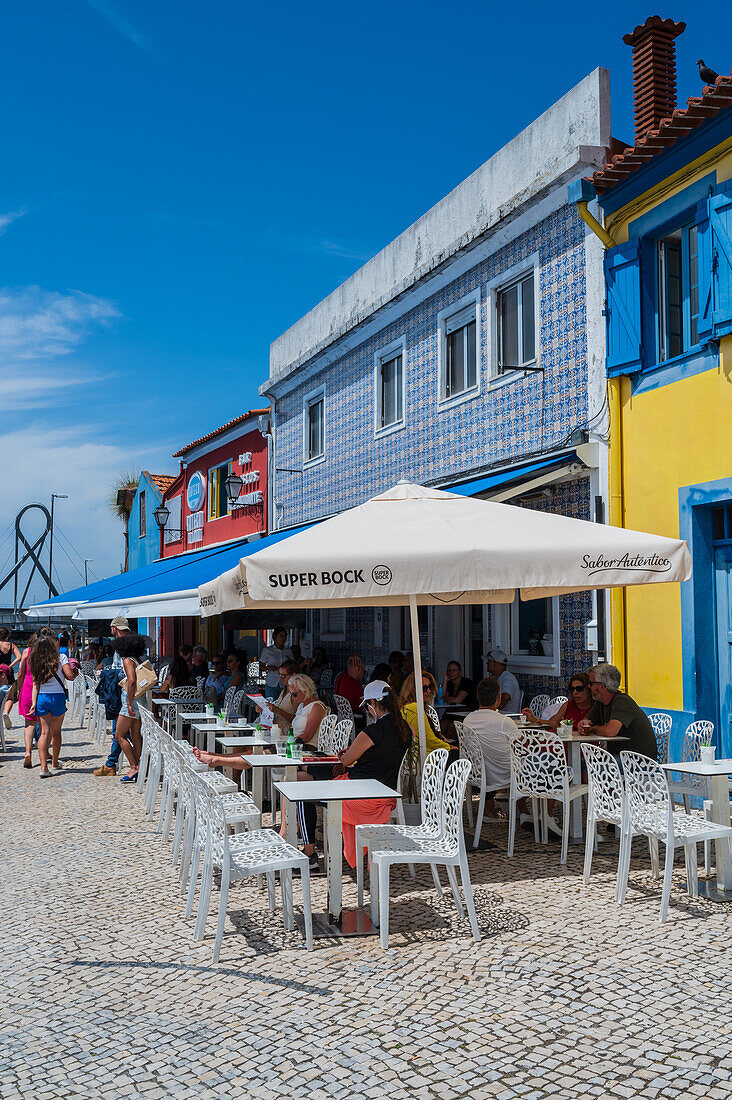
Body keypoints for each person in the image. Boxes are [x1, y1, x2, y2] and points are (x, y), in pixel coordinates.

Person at [338, 680, 412, 866]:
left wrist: (350, 751)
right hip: (387, 794)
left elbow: (346, 761)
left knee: (326, 795)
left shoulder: (371, 732)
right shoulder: (406, 729)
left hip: (360, 795)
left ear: (372, 705)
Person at [463, 676, 518, 821]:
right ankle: (527, 812)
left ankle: (491, 808)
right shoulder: (505, 722)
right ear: (499, 698)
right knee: (527, 764)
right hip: (503, 775)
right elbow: (520, 747)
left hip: (478, 773)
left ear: (477, 697)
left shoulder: (467, 720)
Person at [579, 664, 657, 759]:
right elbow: (585, 722)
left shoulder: (622, 702)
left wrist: (593, 728)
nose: (588, 686)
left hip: (638, 761)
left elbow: (610, 731)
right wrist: (582, 726)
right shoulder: (600, 702)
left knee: (591, 766)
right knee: (584, 764)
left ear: (601, 687)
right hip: (620, 756)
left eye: (591, 683)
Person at [29, 636, 77, 778]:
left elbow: (35, 684)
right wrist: (76, 672)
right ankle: (55, 762)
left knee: (44, 733)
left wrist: (33, 702)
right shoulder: (61, 657)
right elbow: (70, 676)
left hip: (42, 697)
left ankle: (43, 767)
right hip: (58, 697)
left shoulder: (36, 661)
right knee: (56, 732)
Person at [113, 632, 149, 782]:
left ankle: (134, 766)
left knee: (119, 736)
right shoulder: (138, 659)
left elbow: (132, 681)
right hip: (141, 700)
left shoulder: (127, 660)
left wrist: (128, 703)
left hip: (131, 701)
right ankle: (139, 765)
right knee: (136, 735)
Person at [399, 671, 453, 762]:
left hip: (430, 752)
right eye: (424, 688)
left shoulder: (409, 706)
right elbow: (429, 739)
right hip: (429, 757)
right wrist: (449, 747)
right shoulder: (414, 708)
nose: (428, 691)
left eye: (430, 687)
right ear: (413, 689)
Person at [16, 633, 39, 768]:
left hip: (27, 688)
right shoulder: (46, 654)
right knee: (43, 725)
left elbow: (20, 673)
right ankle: (45, 753)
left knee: (29, 724)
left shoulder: (26, 652)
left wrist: (19, 689)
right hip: (42, 689)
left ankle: (27, 752)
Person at [261, 659, 298, 734]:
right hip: (276, 729)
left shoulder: (296, 694)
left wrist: (277, 710)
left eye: (283, 676)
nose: (281, 678)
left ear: (293, 675)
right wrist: (264, 710)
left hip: (285, 732)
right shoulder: (284, 691)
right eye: (279, 675)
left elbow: (296, 719)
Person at [259, 628, 292, 701]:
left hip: (284, 683)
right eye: (281, 636)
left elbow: (292, 665)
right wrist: (269, 668)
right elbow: (261, 667)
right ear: (274, 637)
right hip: (272, 682)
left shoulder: (288, 651)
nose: (283, 638)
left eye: (285, 636)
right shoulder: (267, 650)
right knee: (271, 704)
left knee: (283, 704)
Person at [486, 649, 521, 713]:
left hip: (507, 717)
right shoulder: (496, 678)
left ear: (495, 663)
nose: (487, 663)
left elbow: (506, 697)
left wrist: (494, 711)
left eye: (489, 661)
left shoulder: (508, 678)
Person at [0, 628, 22, 730]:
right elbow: (19, 657)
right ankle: (5, 712)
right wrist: (10, 666)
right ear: (7, 636)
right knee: (9, 698)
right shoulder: (11, 645)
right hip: (8, 672)